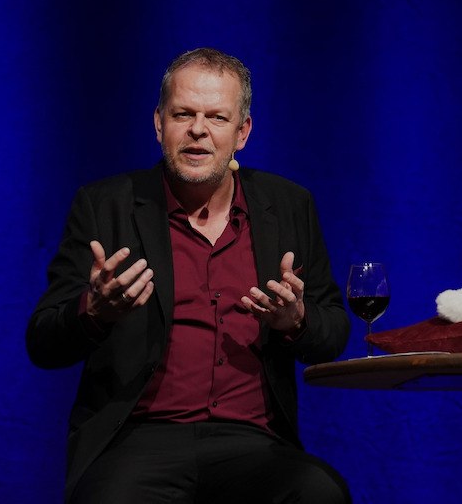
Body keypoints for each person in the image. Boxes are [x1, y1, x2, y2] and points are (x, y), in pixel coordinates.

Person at [26, 47, 351, 504]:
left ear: (242, 132)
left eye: (217, 118)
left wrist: (295, 321)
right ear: (160, 123)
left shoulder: (289, 204)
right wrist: (93, 312)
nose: (198, 130)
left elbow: (334, 332)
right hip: (137, 441)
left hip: (254, 443)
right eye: (184, 114)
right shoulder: (105, 205)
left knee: (320, 494)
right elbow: (43, 342)